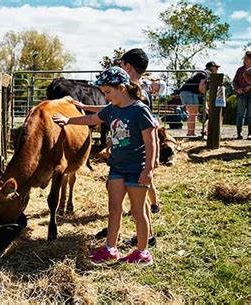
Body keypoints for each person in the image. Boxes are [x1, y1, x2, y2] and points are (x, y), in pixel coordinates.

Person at [53, 67, 156, 264]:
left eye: (108, 92)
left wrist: (148, 170)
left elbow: (151, 142)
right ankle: (111, 248)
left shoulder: (140, 110)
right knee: (114, 208)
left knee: (137, 211)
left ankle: (142, 252)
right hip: (116, 167)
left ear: (122, 88)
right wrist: (69, 120)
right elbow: (92, 118)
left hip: (137, 169)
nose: (106, 97)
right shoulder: (112, 109)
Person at [119, 48, 161, 216]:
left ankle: (146, 234)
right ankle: (154, 204)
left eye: (121, 65)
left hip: (139, 147)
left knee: (141, 183)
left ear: (127, 67)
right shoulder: (142, 90)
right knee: (143, 181)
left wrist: (154, 154)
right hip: (139, 146)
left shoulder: (136, 92)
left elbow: (150, 126)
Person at [178, 61, 220, 136]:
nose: (217, 69)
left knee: (193, 114)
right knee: (193, 114)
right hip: (189, 93)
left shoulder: (204, 74)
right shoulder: (206, 73)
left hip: (189, 93)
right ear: (211, 67)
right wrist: (209, 95)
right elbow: (201, 87)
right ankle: (190, 133)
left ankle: (192, 133)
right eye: (216, 67)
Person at [232, 50, 251, 139]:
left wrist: (250, 86)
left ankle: (250, 133)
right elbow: (234, 81)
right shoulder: (240, 70)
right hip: (241, 94)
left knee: (250, 114)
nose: (245, 60)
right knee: (240, 114)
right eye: (245, 58)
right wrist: (237, 89)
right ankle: (239, 133)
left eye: (247, 58)